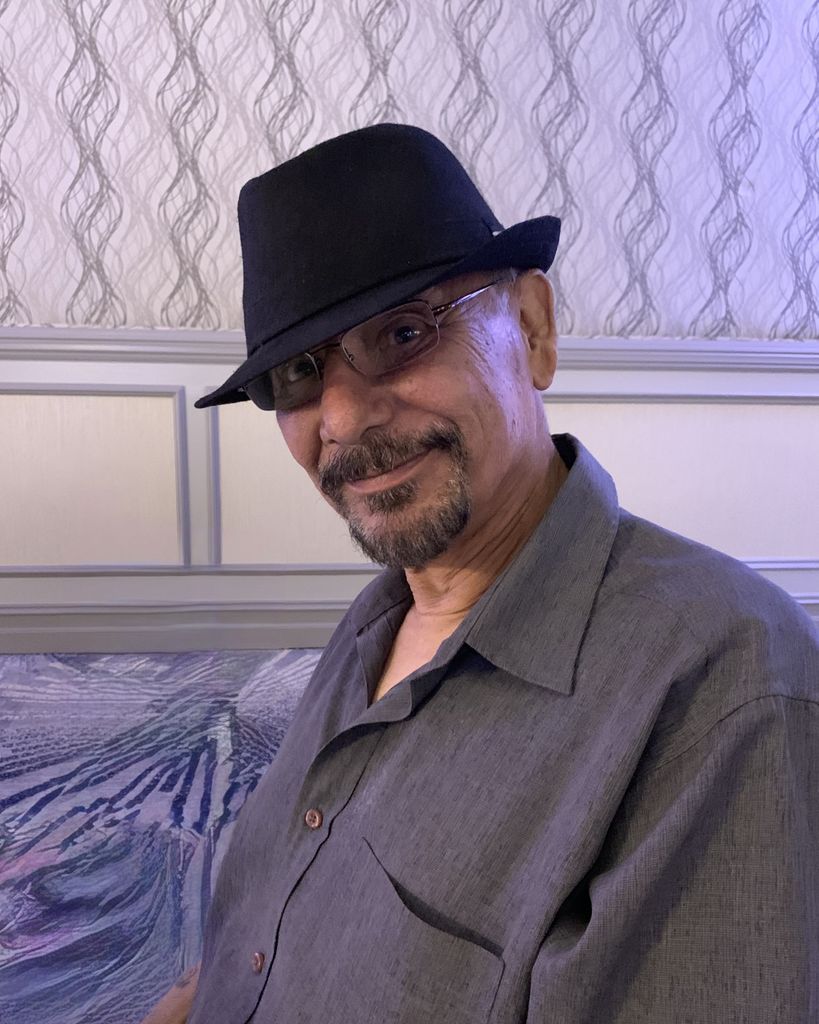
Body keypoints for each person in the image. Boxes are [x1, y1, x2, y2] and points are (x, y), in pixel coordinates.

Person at [141, 123, 818, 1024]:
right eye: (299, 372)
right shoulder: (374, 623)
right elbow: (261, 940)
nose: (343, 417)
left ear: (531, 329)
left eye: (404, 332)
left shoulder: (725, 682)